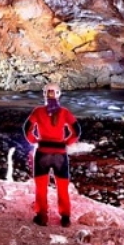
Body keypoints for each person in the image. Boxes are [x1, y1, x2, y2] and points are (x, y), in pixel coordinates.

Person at [23, 82, 81, 227]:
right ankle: (65, 217)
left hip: (43, 152)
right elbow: (77, 130)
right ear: (59, 94)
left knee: (41, 186)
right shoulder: (65, 112)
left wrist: (34, 140)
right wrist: (67, 142)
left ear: (44, 94)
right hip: (60, 154)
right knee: (62, 186)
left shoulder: (38, 111)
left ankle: (42, 215)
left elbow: (27, 128)